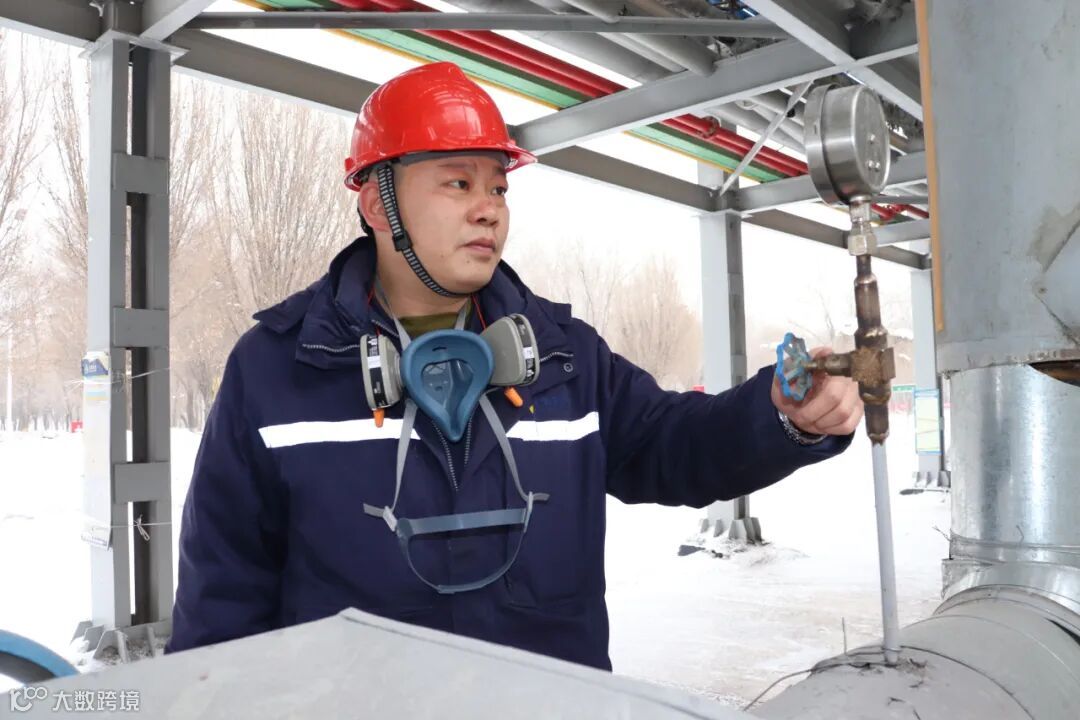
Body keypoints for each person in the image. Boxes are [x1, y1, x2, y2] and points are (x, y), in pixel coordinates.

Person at [166, 62, 862, 670]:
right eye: (458, 183)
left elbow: (674, 444)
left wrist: (782, 417)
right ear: (379, 204)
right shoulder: (277, 368)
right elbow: (222, 594)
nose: (488, 211)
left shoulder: (564, 356)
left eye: (498, 189)